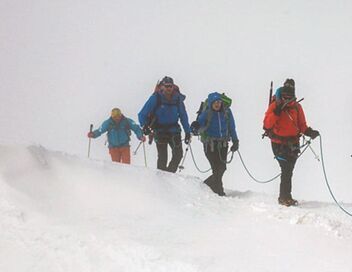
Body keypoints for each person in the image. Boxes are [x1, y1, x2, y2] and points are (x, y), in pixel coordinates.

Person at [263, 79, 320, 206]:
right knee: (286, 169)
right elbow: (266, 125)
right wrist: (276, 113)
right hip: (278, 143)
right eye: (285, 95)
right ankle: (284, 197)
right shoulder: (275, 105)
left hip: (293, 144)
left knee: (289, 170)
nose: (287, 98)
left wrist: (310, 132)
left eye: (290, 95)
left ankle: (285, 197)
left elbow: (302, 126)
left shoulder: (297, 107)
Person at [138, 76, 191, 173]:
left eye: (170, 86)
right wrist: (144, 125)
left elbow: (183, 115)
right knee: (163, 157)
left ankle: (168, 176)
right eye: (166, 86)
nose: (168, 88)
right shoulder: (155, 98)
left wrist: (188, 132)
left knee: (178, 154)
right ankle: (162, 181)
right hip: (159, 131)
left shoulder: (177, 99)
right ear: (162, 87)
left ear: (173, 86)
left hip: (174, 130)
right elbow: (142, 114)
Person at [191, 92, 239, 196]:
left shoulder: (227, 112)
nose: (217, 104)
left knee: (222, 168)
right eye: (215, 102)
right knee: (216, 168)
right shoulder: (207, 113)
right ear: (211, 103)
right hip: (210, 144)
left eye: (219, 102)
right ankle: (219, 191)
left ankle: (207, 185)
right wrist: (194, 127)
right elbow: (199, 124)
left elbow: (231, 127)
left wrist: (235, 140)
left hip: (223, 144)